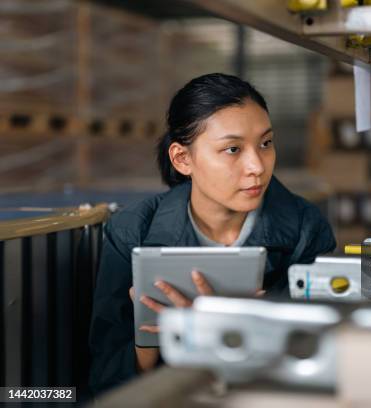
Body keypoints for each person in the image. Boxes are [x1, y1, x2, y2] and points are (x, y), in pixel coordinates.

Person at [88, 73, 336, 396]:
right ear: (182, 159)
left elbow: (323, 363)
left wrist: (242, 330)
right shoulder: (133, 230)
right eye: (233, 149)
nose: (257, 166)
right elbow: (104, 382)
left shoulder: (306, 228)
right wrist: (152, 339)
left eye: (266, 143)